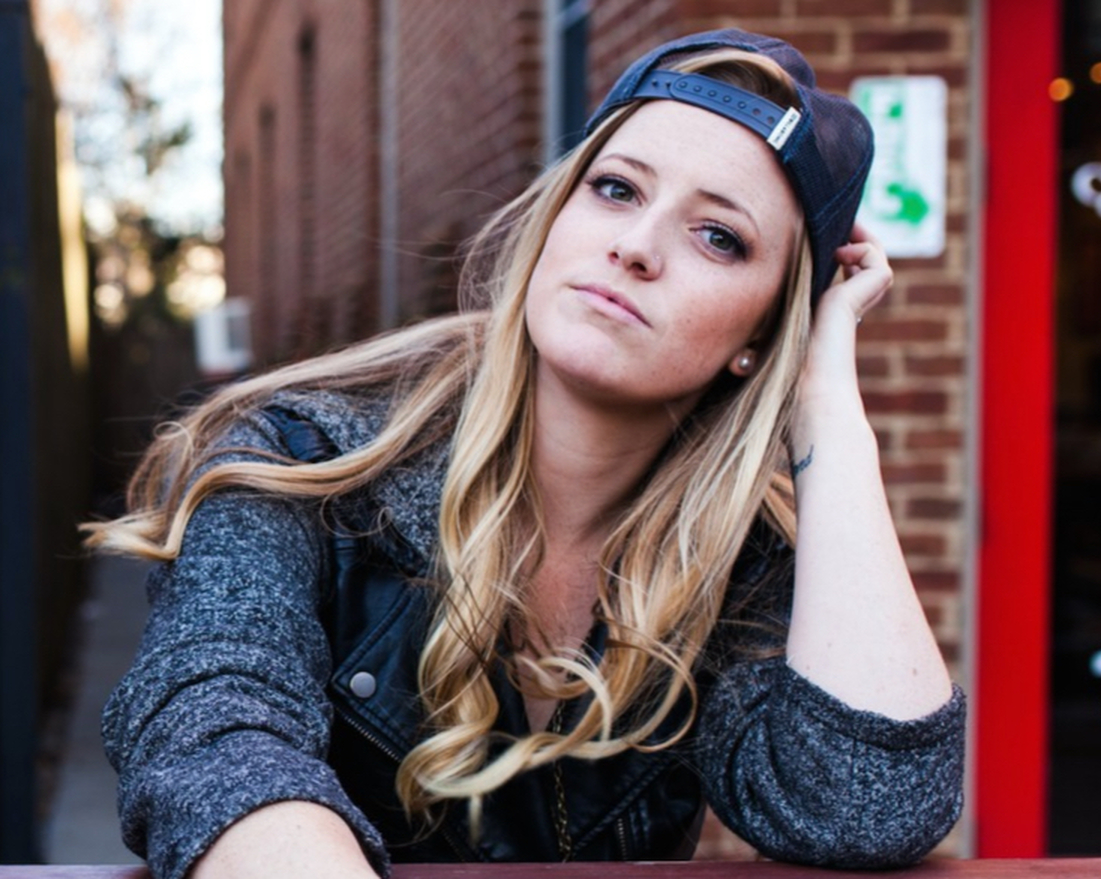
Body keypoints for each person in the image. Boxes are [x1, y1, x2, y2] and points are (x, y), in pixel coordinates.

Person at [88, 29, 965, 879]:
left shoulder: (740, 562)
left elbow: (868, 807)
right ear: (555, 215)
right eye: (616, 189)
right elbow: (213, 736)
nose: (635, 246)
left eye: (717, 236)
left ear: (763, 333)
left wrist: (820, 401)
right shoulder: (302, 462)